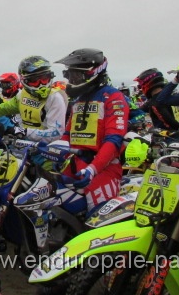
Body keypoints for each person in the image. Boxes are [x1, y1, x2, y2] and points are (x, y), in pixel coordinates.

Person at [51, 48, 129, 216]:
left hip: (102, 168)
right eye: (69, 74)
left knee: (96, 221)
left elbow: (114, 140)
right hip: (75, 164)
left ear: (92, 73)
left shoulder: (112, 97)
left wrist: (93, 168)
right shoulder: (79, 100)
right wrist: (55, 151)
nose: (71, 79)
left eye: (75, 75)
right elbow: (68, 134)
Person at [0, 56, 67, 143]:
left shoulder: (55, 98)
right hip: (21, 145)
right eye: (35, 80)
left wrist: (24, 132)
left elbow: (56, 133)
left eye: (44, 79)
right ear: (25, 80)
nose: (41, 84)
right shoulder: (22, 94)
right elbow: (4, 108)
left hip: (44, 151)